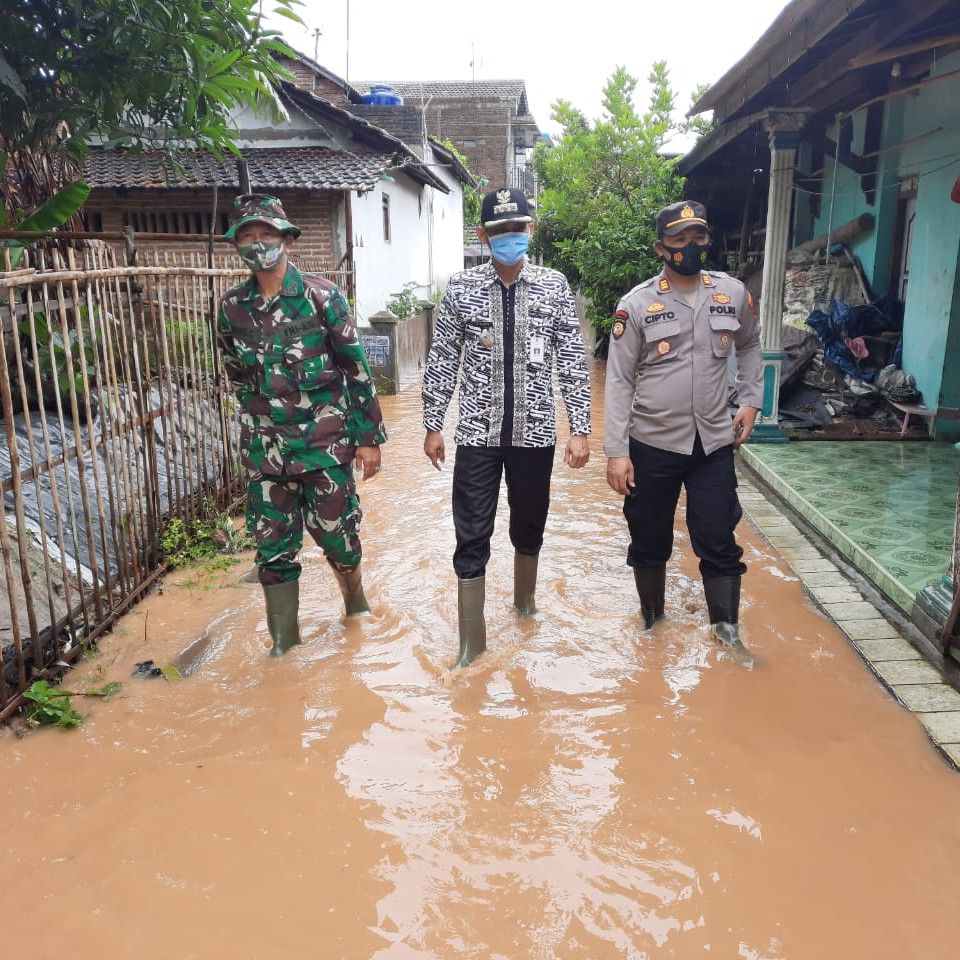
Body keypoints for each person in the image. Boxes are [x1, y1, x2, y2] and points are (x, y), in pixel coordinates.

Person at [422, 186, 591, 668]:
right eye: (498, 230)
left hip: (535, 434)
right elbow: (441, 360)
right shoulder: (460, 289)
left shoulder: (554, 286)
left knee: (529, 523)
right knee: (471, 531)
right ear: (482, 235)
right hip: (476, 432)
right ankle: (471, 643)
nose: (508, 237)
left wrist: (579, 427)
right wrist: (433, 423)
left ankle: (525, 605)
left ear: (530, 231)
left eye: (516, 229)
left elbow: (573, 363)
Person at [216, 194, 387, 657]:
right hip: (267, 454)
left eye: (266, 236)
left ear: (287, 239)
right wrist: (258, 430)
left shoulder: (322, 296)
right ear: (237, 246)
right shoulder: (231, 306)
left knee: (339, 540)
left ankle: (356, 606)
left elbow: (356, 370)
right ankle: (284, 647)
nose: (257, 245)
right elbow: (236, 374)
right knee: (272, 551)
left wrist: (369, 441)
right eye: (247, 237)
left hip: (326, 450)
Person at [603, 200, 763, 661]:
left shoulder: (731, 294)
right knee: (649, 538)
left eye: (698, 237)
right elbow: (617, 380)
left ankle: (727, 633)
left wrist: (751, 400)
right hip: (652, 443)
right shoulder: (635, 305)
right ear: (661, 248)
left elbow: (750, 345)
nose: (691, 246)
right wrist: (617, 451)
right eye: (679, 239)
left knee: (717, 535)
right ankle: (653, 623)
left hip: (713, 441)